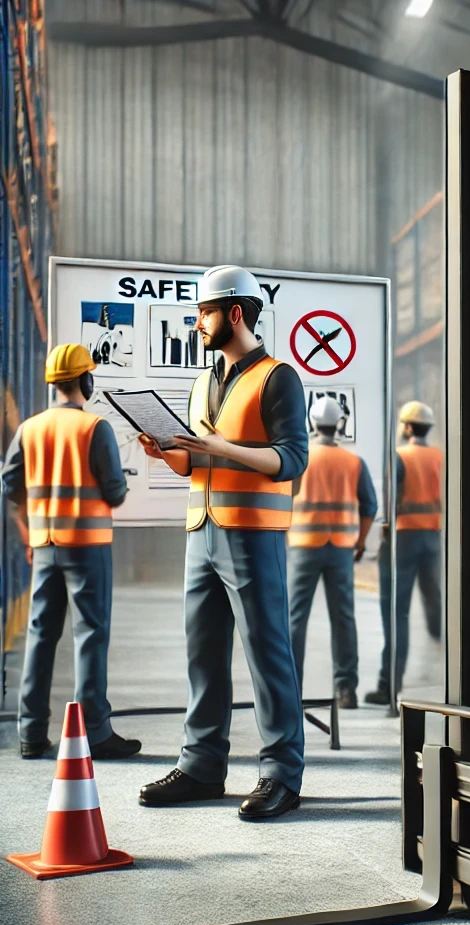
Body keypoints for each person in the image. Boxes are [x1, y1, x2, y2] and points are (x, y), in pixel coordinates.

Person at [137, 265, 308, 820]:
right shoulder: (203, 378)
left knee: (267, 655)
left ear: (235, 312)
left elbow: (290, 459)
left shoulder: (278, 377)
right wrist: (168, 452)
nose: (197, 322)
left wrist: (222, 446)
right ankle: (201, 766)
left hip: (253, 536)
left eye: (205, 312)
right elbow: (201, 460)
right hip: (202, 532)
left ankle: (281, 774)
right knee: (203, 656)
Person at [1, 343, 140, 759]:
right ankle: (93, 733)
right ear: (86, 381)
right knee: (90, 636)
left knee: (42, 636)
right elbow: (114, 492)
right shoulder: (95, 429)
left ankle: (31, 733)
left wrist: (31, 527)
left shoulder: (29, 429)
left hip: (45, 546)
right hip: (87, 546)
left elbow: (10, 487)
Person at [287, 396, 377, 709]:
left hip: (302, 547)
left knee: (294, 620)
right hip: (340, 547)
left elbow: (283, 498)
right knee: (343, 619)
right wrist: (361, 541)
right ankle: (346, 691)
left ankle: (290, 689)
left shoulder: (301, 457)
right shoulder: (353, 462)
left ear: (311, 422)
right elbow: (370, 505)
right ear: (339, 423)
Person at [365, 401, 442, 706]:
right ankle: (442, 674)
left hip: (404, 538)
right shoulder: (439, 457)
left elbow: (390, 504)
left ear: (408, 427)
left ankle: (389, 685)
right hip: (433, 537)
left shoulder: (399, 457)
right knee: (433, 599)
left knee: (397, 612)